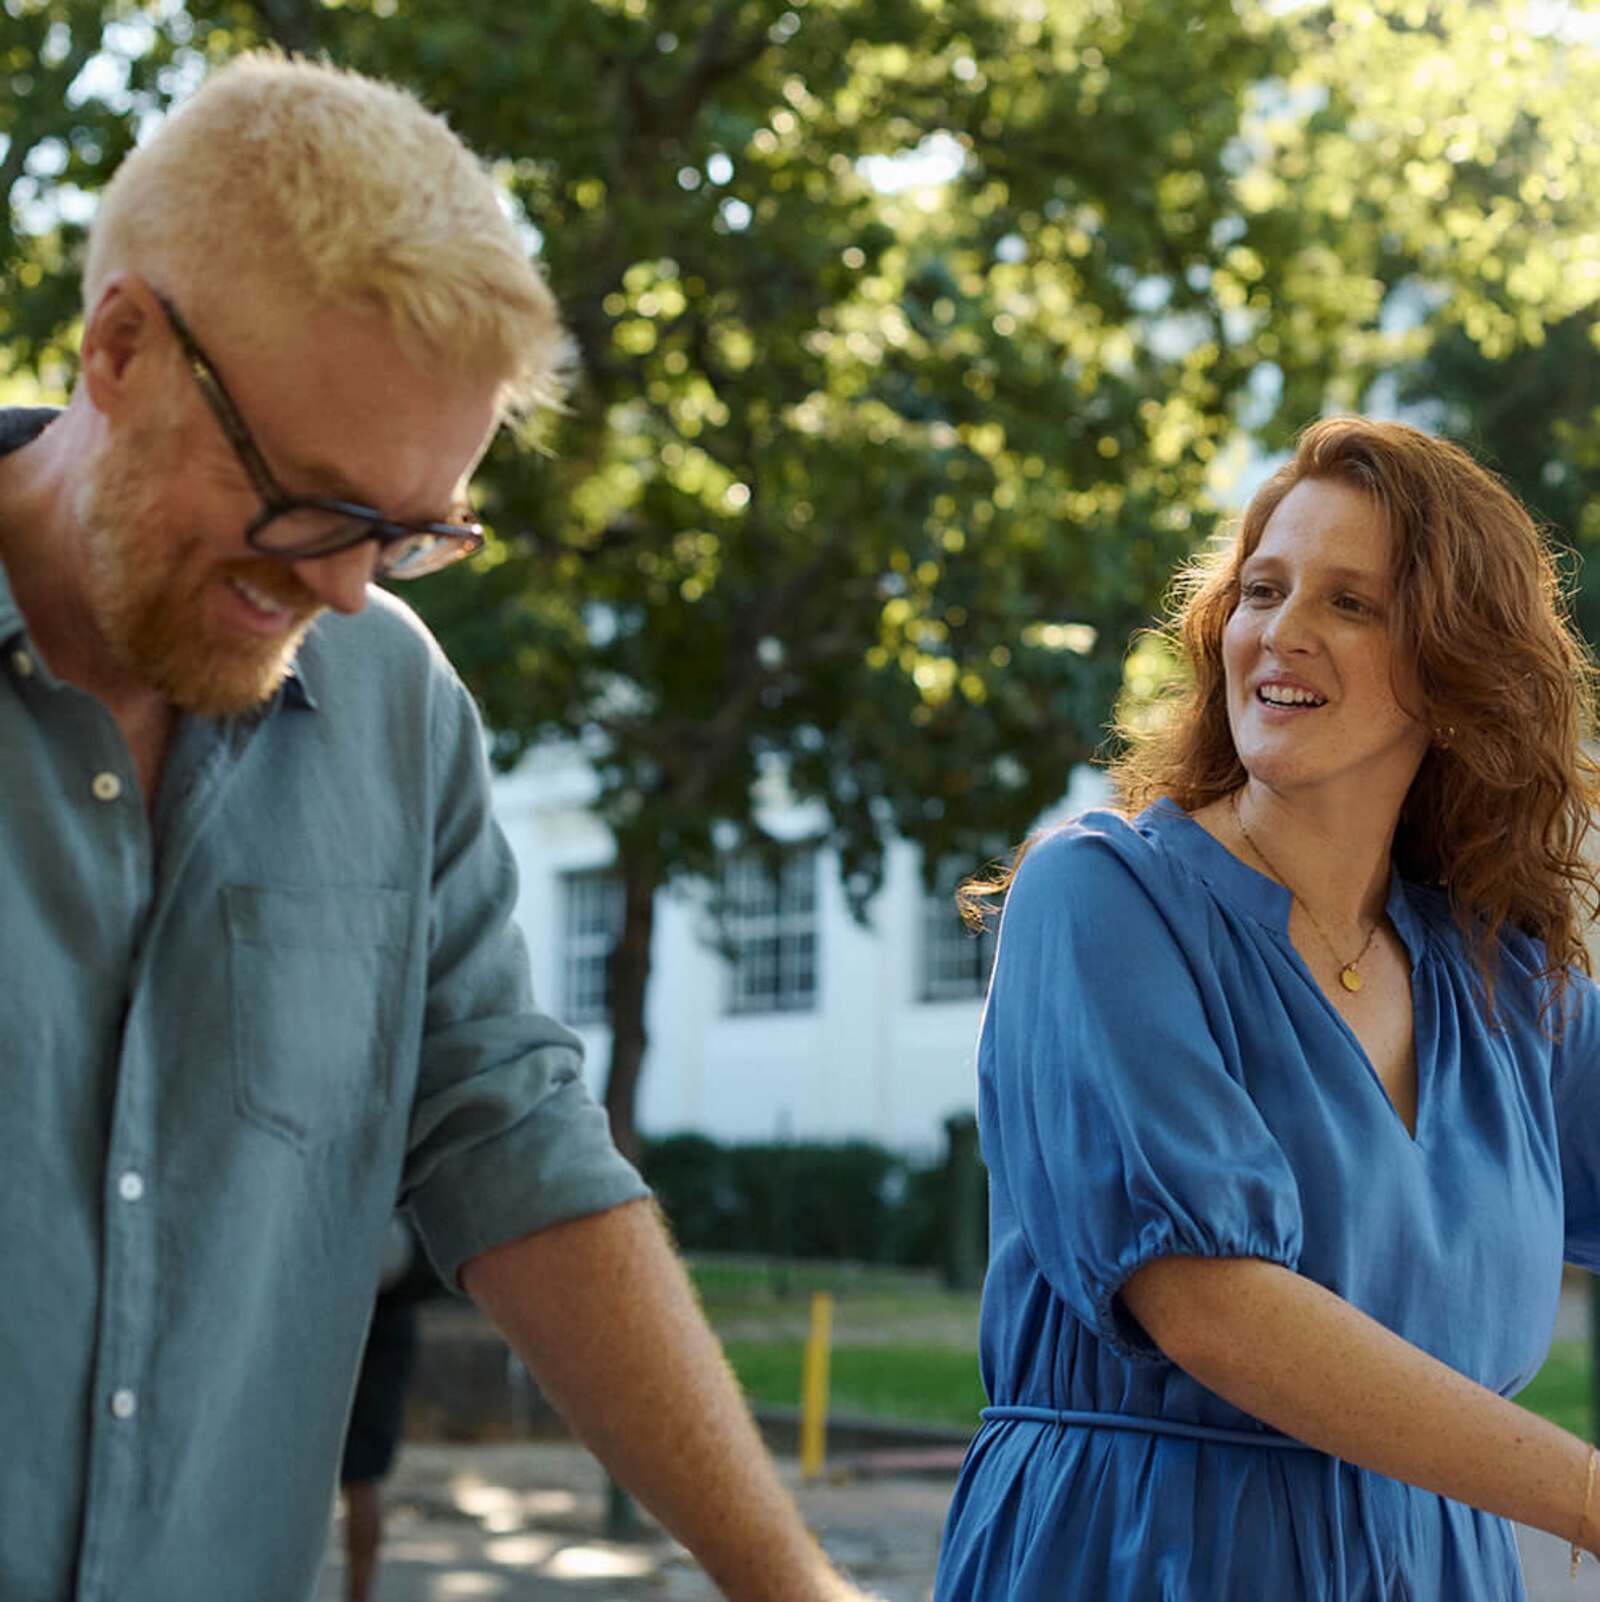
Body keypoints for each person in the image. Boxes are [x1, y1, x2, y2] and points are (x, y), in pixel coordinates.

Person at [0, 53, 871, 1602]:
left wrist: (793, 1585)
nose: (345, 588)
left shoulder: (393, 701)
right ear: (121, 345)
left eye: (411, 533)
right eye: (317, 504)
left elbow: (511, 1144)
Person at [933, 416, 1600, 1600]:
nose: (1279, 634)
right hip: (1142, 1557)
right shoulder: (1098, 895)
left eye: (1352, 603)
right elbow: (1211, 1307)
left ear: (1452, 669)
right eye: (1261, 589)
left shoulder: (1505, 983)